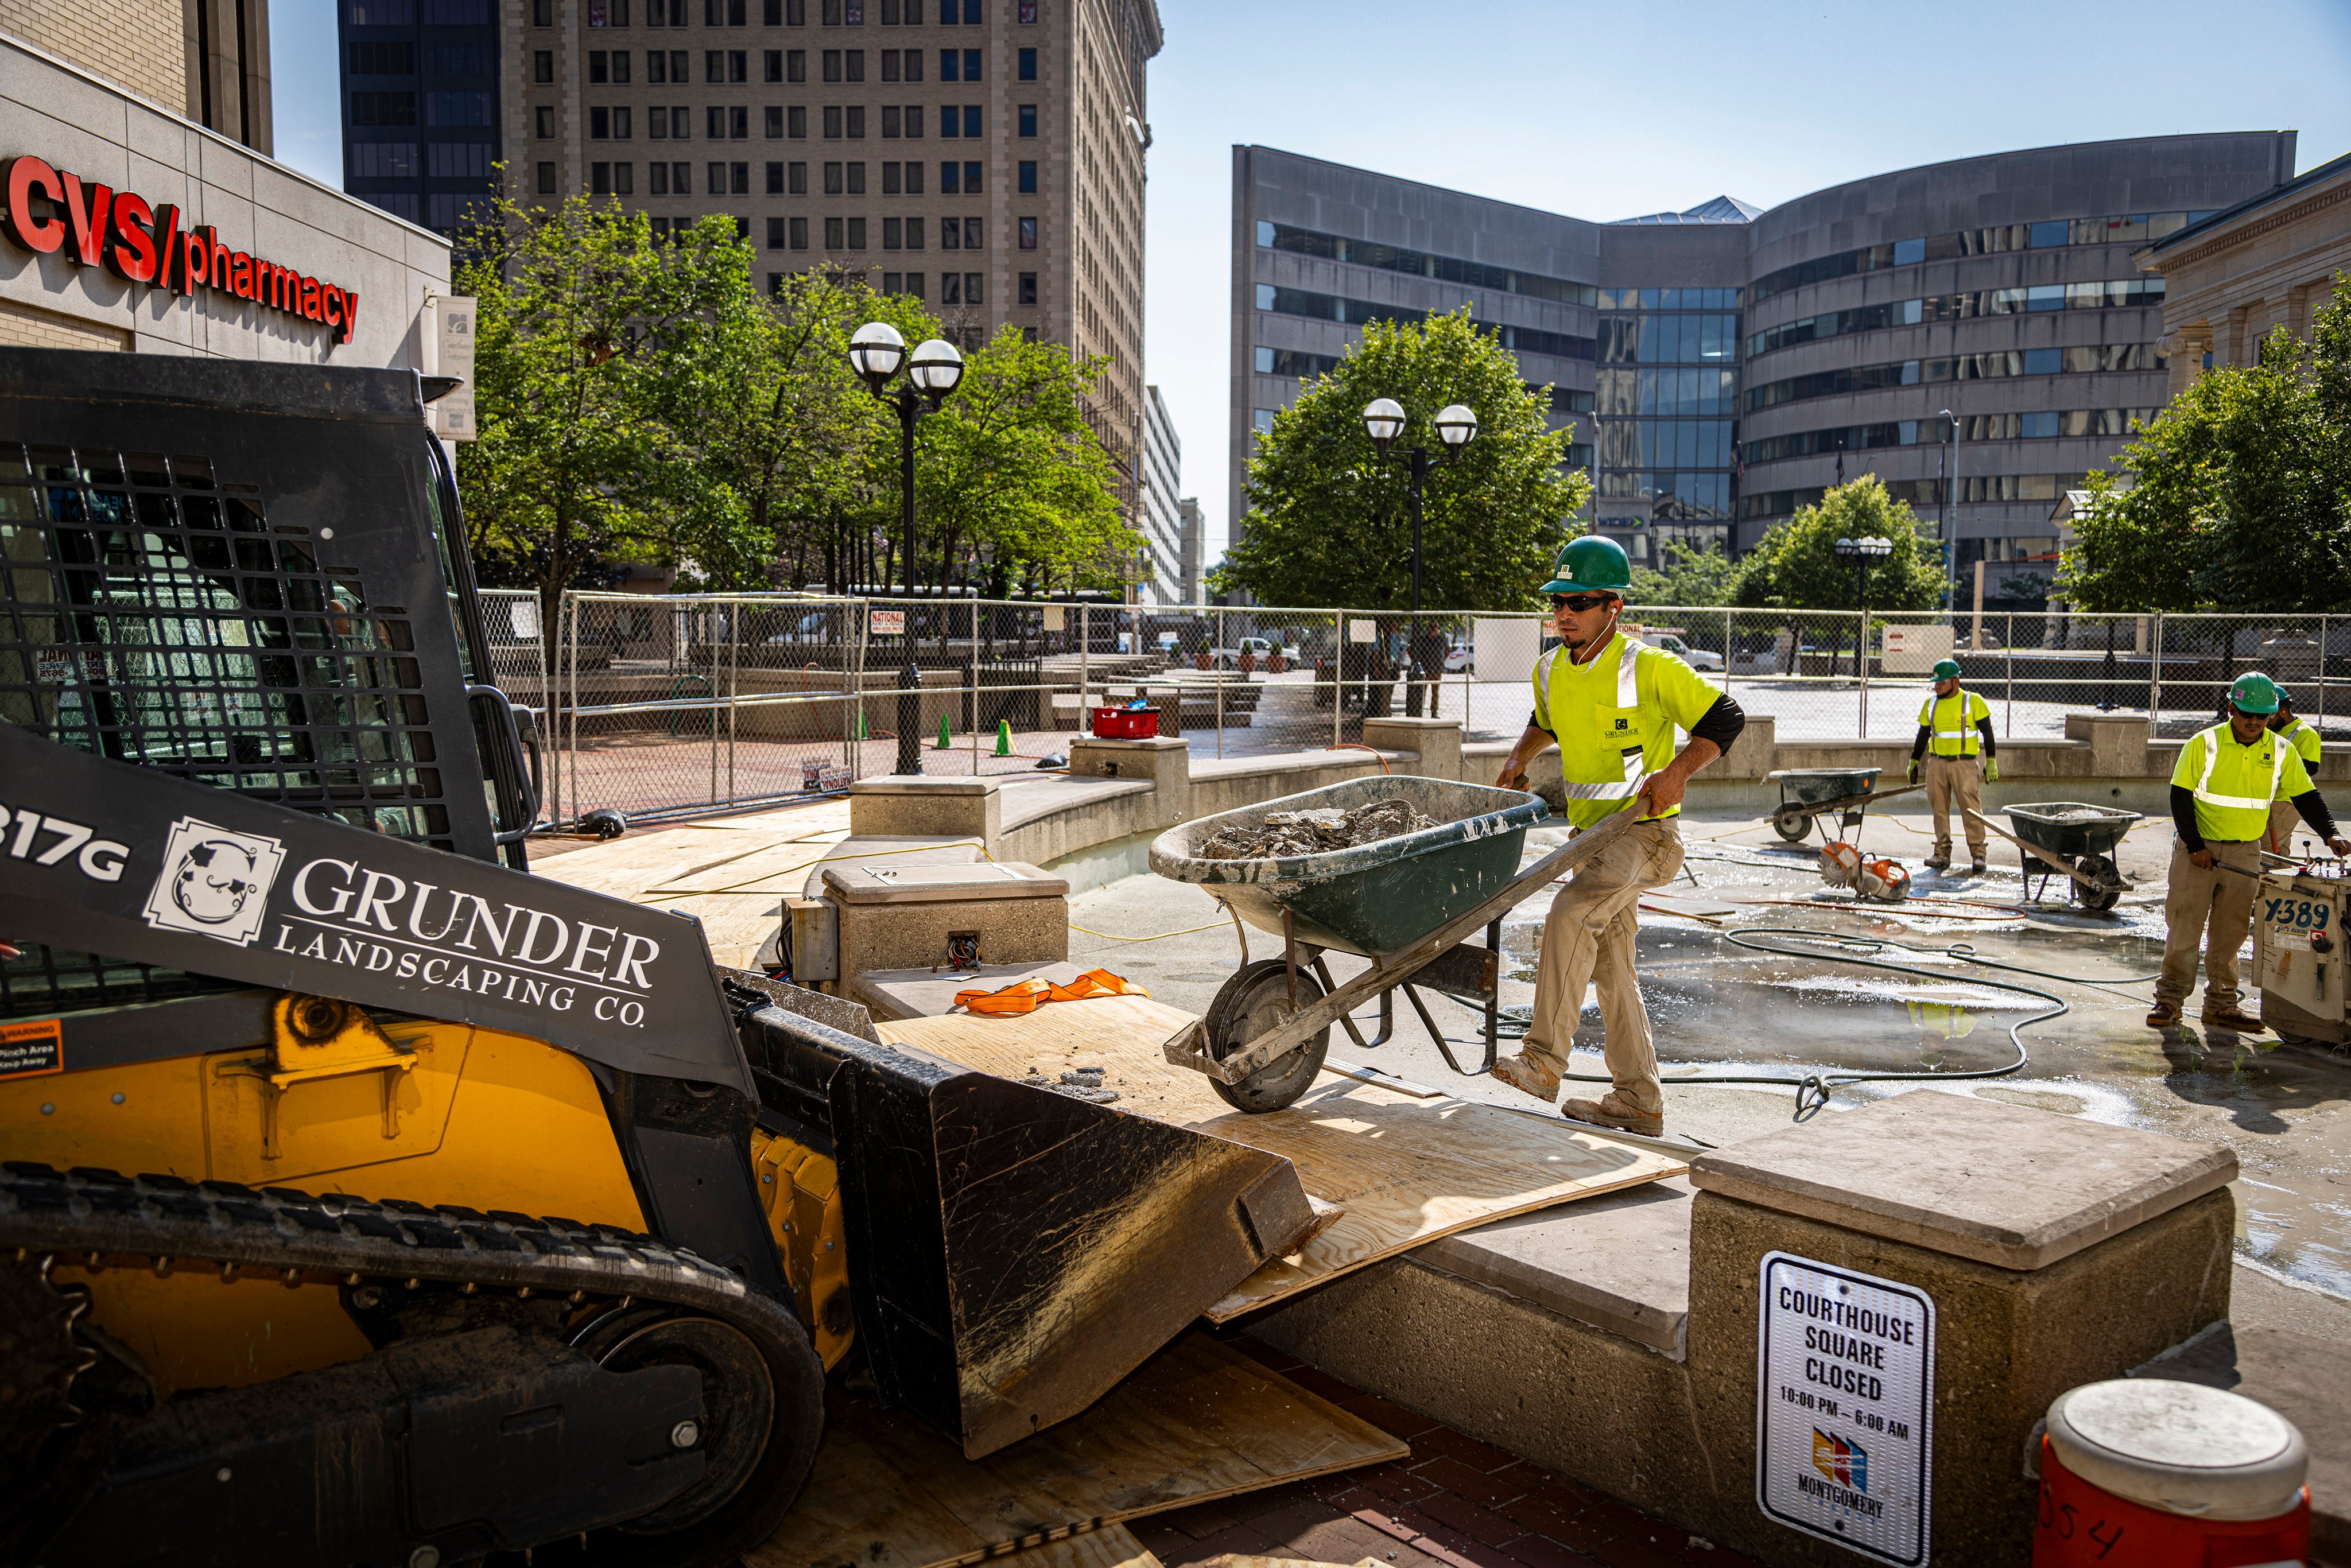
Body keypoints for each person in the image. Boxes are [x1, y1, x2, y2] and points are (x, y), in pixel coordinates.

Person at [1489, 535, 1745, 1135]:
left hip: (1643, 835)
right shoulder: (1550, 668)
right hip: (1591, 839)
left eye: (1579, 602)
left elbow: (1726, 718)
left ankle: (1542, 1062)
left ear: (1614, 608)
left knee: (1570, 915)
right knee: (1611, 969)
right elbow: (1543, 720)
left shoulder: (1648, 666)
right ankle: (1639, 1099)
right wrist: (1517, 758)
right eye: (1558, 602)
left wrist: (1677, 770)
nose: (1564, 614)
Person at [2152, 672, 2351, 1032]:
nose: (2254, 722)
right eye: (2248, 715)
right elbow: (2179, 795)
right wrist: (2195, 846)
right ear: (2232, 709)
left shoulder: (2280, 750)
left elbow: (2306, 796)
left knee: (2231, 934)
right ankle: (2169, 1001)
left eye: (2262, 716)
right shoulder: (2204, 743)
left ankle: (2222, 1006)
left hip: (2246, 851)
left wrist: (2332, 833)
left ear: (2272, 714)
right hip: (2199, 849)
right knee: (2185, 929)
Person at [1906, 658, 1996, 873]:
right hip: (1937, 763)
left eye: (1941, 682)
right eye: (1935, 683)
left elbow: (1987, 731)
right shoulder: (1931, 704)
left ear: (1955, 682)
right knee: (1939, 809)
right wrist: (1914, 761)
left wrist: (1991, 760)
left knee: (1971, 809)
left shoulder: (1973, 701)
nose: (1936, 686)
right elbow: (1923, 734)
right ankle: (1942, 853)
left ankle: (1978, 854)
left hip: (1963, 765)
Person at [2264, 689, 2323, 855]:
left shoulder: (2304, 734)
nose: (2266, 721)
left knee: (2263, 851)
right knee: (2279, 854)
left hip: (2285, 802)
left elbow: (2309, 768)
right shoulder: (2271, 732)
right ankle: (2281, 879)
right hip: (2273, 801)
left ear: (2283, 711)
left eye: (2270, 716)